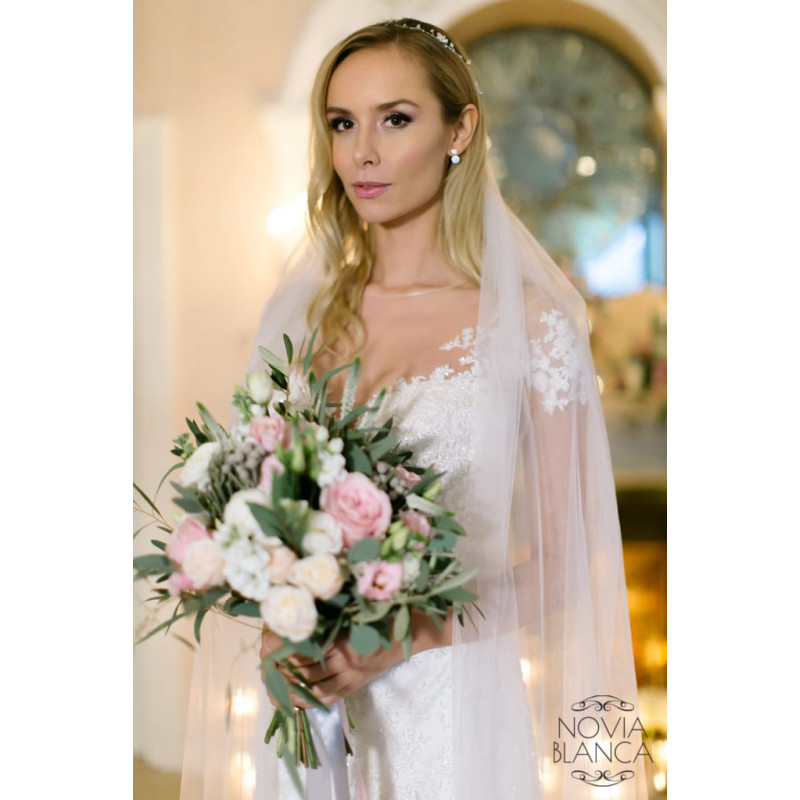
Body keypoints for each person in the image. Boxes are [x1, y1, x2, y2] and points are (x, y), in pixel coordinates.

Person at [179, 18, 646, 800]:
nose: (362, 152)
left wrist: (401, 637)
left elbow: (568, 567)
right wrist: (277, 614)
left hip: (452, 710)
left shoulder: (531, 325)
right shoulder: (301, 321)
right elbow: (260, 516)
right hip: (310, 703)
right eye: (342, 123)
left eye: (394, 119)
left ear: (459, 130)